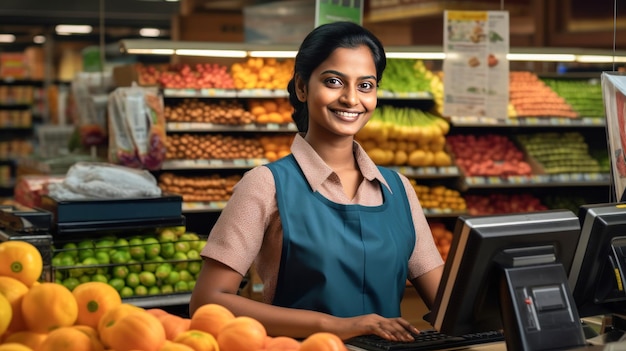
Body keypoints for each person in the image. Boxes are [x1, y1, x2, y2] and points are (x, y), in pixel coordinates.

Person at [189, 21, 444, 342]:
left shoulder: (398, 189)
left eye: (366, 85)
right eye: (334, 81)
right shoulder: (266, 184)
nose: (352, 99)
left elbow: (447, 300)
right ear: (301, 87)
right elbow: (208, 300)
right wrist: (337, 326)